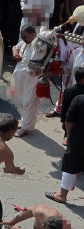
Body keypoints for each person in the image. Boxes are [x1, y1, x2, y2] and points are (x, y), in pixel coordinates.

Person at [45, 67, 84, 204]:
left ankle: (62, 195)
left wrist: (68, 135)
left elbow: (68, 120)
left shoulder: (79, 99)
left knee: (70, 166)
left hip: (78, 139)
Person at [9, 26, 44, 138]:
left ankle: (26, 128)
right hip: (19, 76)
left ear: (33, 34)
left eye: (25, 37)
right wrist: (15, 53)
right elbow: (15, 47)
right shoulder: (24, 42)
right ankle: (24, 121)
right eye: (22, 37)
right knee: (19, 100)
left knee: (28, 102)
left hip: (31, 79)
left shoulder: (40, 45)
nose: (23, 39)